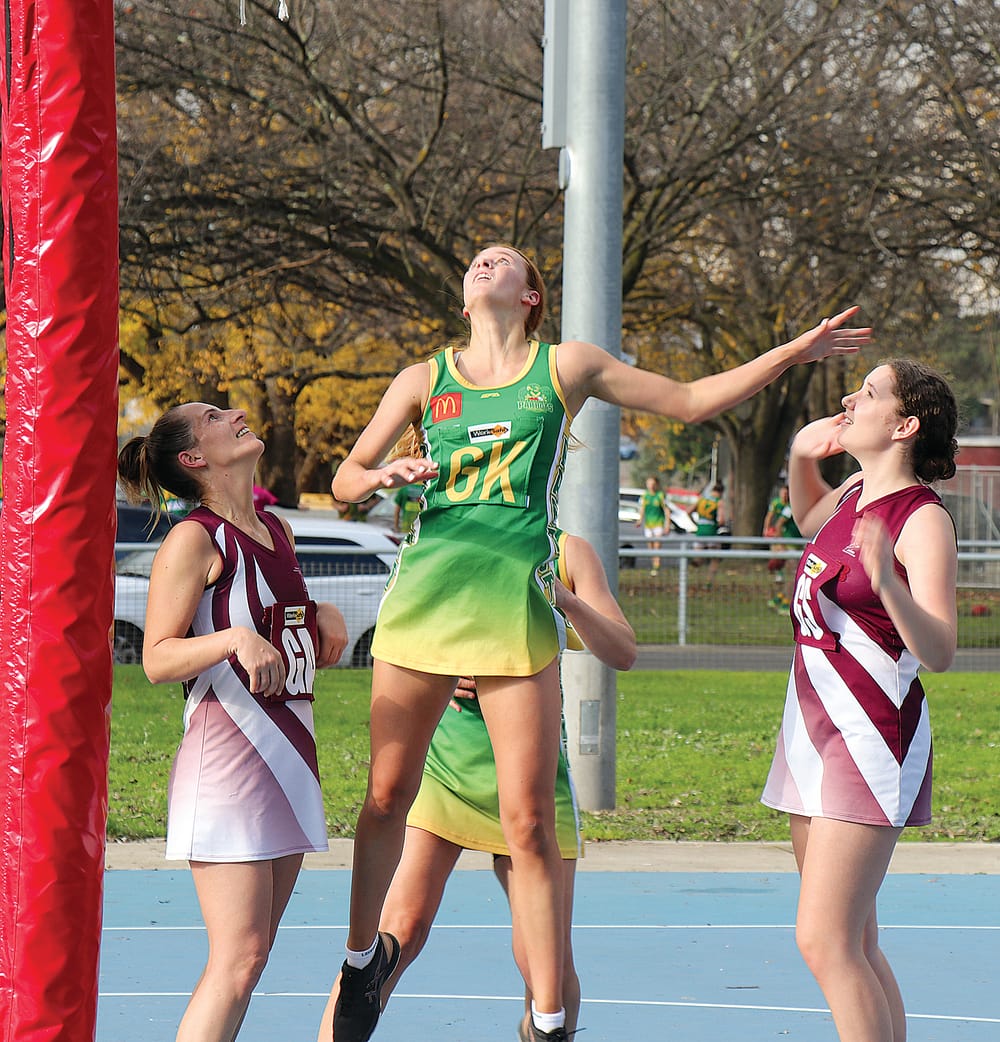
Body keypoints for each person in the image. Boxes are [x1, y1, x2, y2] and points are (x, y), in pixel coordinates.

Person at [328, 241, 870, 1042]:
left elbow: (689, 401)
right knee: (382, 799)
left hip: (510, 605)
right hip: (426, 601)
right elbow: (344, 477)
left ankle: (549, 1020)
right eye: (476, 260)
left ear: (533, 295)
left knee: (531, 824)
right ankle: (359, 955)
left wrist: (800, 349)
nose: (484, 263)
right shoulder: (422, 379)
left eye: (502, 258)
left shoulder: (565, 366)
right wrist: (376, 479)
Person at [316, 530, 635, 1042]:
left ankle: (550, 1030)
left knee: (543, 961)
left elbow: (623, 651)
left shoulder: (567, 551)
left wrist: (564, 598)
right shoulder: (436, 542)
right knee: (400, 930)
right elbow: (403, 642)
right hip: (448, 764)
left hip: (531, 779)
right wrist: (450, 666)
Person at [117, 404, 349, 1042]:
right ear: (194, 459)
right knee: (236, 960)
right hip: (229, 764)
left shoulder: (275, 529)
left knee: (250, 961)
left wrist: (322, 610)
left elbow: (281, 621)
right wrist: (230, 640)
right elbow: (157, 657)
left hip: (289, 761)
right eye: (217, 417)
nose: (239, 413)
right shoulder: (194, 538)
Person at [760, 359, 958, 1042]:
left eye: (868, 393)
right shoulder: (851, 492)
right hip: (812, 731)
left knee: (825, 940)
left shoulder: (921, 520)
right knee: (856, 941)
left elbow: (939, 649)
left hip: (870, 737)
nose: (849, 398)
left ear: (905, 425)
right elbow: (806, 515)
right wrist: (796, 456)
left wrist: (887, 582)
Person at [763, 484, 800, 605]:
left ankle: (779, 597)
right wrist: (781, 543)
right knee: (793, 573)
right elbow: (778, 523)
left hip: (796, 543)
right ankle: (785, 601)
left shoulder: (795, 505)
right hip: (790, 543)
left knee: (790, 572)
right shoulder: (789, 507)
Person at [691, 481, 726, 582]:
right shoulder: (718, 501)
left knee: (698, 557)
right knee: (715, 558)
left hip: (700, 531)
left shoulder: (701, 499)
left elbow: (688, 511)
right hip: (711, 532)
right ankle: (709, 581)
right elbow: (722, 520)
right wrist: (719, 525)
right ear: (721, 492)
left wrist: (696, 523)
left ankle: (695, 579)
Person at [637, 474, 667, 575]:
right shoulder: (645, 495)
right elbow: (642, 509)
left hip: (658, 523)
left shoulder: (660, 495)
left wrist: (667, 524)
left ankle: (656, 567)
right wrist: (640, 520)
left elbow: (666, 510)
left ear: (657, 485)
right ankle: (654, 565)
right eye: (649, 484)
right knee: (650, 547)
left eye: (653, 484)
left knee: (657, 546)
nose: (651, 486)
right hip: (648, 525)